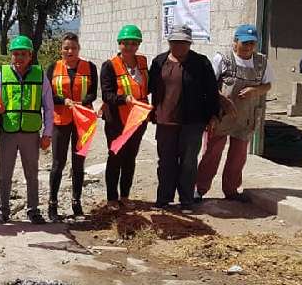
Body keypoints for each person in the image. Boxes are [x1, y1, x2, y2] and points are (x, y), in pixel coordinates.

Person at [196, 24, 273, 203]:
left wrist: (255, 91)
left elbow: (268, 85)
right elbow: (208, 86)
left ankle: (231, 190)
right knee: (212, 153)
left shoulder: (261, 62)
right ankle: (199, 189)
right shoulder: (222, 59)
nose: (248, 47)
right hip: (221, 116)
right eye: (244, 43)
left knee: (238, 156)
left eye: (252, 43)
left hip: (245, 117)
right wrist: (222, 101)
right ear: (235, 42)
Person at [148, 25, 219, 209]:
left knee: (188, 162)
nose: (179, 46)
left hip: (193, 121)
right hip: (165, 120)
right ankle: (164, 199)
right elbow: (150, 88)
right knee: (165, 161)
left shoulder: (201, 63)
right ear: (169, 42)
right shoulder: (159, 62)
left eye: (183, 42)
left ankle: (186, 200)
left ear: (189, 43)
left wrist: (213, 115)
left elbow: (211, 92)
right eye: (175, 42)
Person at [0, 35, 54, 225]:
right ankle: (2, 211)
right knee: (4, 175)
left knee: (31, 174)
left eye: (23, 54)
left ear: (30, 55)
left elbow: (49, 107)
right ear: (11, 55)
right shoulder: (1, 75)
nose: (19, 58)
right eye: (15, 54)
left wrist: (47, 133)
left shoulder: (40, 75)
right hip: (8, 131)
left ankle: (33, 210)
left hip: (30, 132)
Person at [45, 32, 98, 220]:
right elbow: (48, 94)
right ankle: (52, 203)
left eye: (73, 48)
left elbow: (93, 93)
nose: (70, 51)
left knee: (78, 163)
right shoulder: (53, 67)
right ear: (61, 49)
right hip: (61, 120)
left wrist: (83, 102)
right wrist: (64, 101)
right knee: (58, 164)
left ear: (79, 49)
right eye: (66, 48)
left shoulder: (90, 67)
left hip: (82, 121)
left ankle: (76, 201)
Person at [100, 24, 149, 210]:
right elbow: (107, 95)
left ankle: (125, 195)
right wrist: (124, 99)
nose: (129, 47)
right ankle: (112, 198)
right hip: (117, 121)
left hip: (137, 120)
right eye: (125, 43)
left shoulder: (143, 63)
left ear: (138, 45)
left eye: (134, 43)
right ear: (119, 44)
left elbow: (147, 88)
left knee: (130, 158)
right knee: (115, 158)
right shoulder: (110, 65)